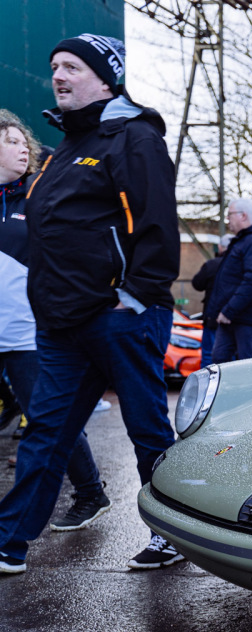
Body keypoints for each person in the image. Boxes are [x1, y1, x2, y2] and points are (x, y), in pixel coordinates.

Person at [0, 34, 182, 574]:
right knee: (45, 435)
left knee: (147, 431)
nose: (58, 75)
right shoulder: (59, 156)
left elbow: (156, 227)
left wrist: (135, 296)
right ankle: (8, 542)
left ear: (106, 78)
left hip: (119, 316)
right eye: (55, 65)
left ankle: (171, 535)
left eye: (73, 67)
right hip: (61, 326)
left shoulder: (134, 138)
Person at [0, 108, 111, 534]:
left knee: (48, 421)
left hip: (29, 333)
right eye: (9, 141)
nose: (20, 146)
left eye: (21, 140)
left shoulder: (39, 196)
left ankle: (90, 492)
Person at [210, 197, 252, 363]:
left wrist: (228, 310)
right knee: (220, 361)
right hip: (234, 316)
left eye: (230, 214)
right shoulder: (245, 240)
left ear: (243, 216)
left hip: (246, 317)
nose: (227, 219)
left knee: (247, 366)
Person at [191, 233, 231, 367]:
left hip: (212, 317)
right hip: (233, 317)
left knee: (208, 354)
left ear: (220, 247)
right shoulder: (240, 265)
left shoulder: (212, 265)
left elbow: (197, 284)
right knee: (231, 356)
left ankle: (207, 385)